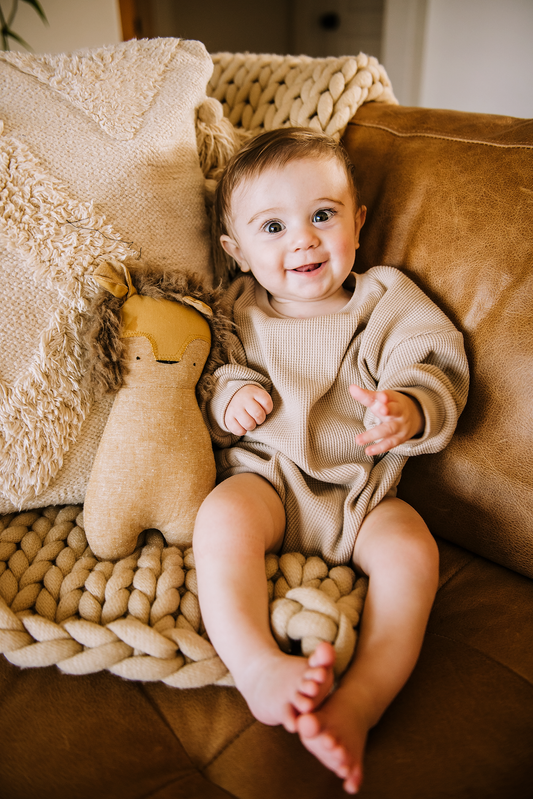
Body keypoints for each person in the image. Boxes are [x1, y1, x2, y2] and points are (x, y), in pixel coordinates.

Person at [193, 128, 469, 794]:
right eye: (273, 226)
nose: (303, 240)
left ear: (357, 221)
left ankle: (363, 697)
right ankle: (257, 666)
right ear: (236, 250)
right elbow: (202, 374)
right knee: (221, 519)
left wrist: (408, 406)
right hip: (266, 480)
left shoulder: (385, 301)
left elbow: (435, 363)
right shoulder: (234, 311)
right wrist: (227, 396)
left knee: (413, 550)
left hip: (363, 493)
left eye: (323, 214)